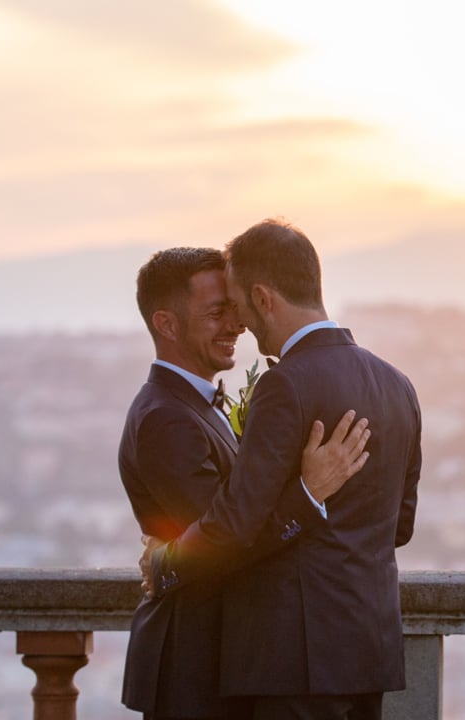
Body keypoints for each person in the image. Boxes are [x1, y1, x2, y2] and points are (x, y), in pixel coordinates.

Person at [144, 219, 423, 720]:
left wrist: (167, 562)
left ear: (263, 297)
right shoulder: (398, 385)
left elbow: (236, 523)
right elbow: (399, 526)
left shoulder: (285, 386)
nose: (240, 323)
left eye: (239, 305)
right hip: (370, 651)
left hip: (294, 661)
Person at [119, 246, 368, 720]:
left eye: (234, 311)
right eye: (216, 314)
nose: (236, 326)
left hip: (225, 657)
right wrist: (309, 493)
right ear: (167, 325)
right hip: (191, 665)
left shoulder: (196, 406)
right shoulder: (165, 420)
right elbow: (225, 541)